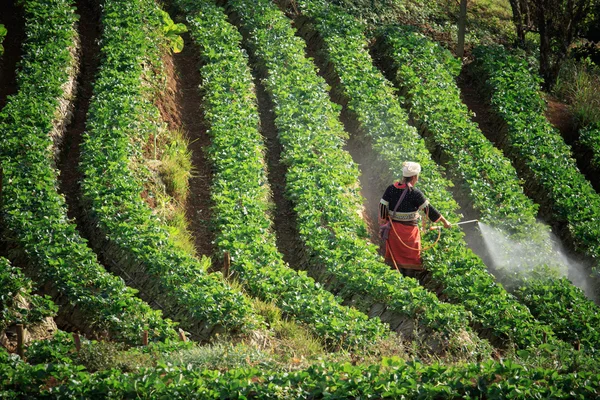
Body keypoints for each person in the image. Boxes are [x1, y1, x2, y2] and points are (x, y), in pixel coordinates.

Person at [379, 161, 451, 274]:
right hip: (410, 233)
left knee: (394, 256)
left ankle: (393, 275)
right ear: (414, 177)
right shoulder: (415, 193)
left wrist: (384, 219)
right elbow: (429, 210)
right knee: (411, 256)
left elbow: (383, 206)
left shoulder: (391, 189)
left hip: (394, 231)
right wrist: (444, 221)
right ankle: (410, 279)